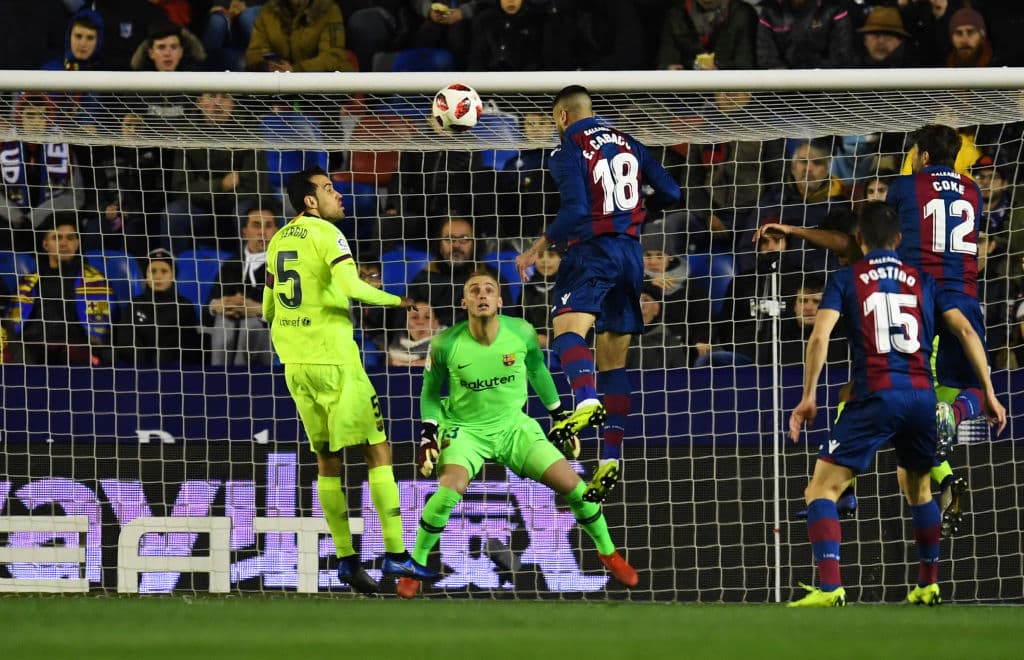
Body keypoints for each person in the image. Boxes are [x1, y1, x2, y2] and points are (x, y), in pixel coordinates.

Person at [786, 201, 1005, 607]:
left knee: (819, 489)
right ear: (899, 239)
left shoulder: (846, 277)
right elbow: (965, 331)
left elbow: (819, 338)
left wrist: (808, 394)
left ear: (858, 239)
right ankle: (927, 584)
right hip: (922, 397)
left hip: (875, 394)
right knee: (918, 490)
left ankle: (831, 587)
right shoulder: (923, 279)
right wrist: (989, 391)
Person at [392, 270, 638, 598]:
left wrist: (560, 415)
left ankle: (607, 552)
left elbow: (537, 371)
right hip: (465, 430)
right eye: (474, 290)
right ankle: (415, 563)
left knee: (577, 489)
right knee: (449, 490)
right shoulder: (446, 343)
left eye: (489, 290)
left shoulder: (521, 332)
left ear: (499, 301)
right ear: (464, 301)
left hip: (513, 427)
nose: (482, 294)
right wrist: (428, 436)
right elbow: (430, 394)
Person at [514, 85, 681, 503]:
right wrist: (634, 216)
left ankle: (585, 400)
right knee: (613, 361)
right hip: (630, 255)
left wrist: (537, 247)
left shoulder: (566, 149)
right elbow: (673, 193)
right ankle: (610, 458)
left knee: (566, 335)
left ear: (562, 117)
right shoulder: (629, 142)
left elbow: (573, 211)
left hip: (591, 253)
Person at [262, 165, 418, 594]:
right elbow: (352, 286)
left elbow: (268, 308)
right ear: (310, 201)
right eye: (329, 189)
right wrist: (397, 300)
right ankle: (396, 552)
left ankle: (348, 561)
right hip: (335, 362)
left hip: (295, 364)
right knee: (378, 449)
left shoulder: (277, 240)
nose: (339, 195)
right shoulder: (327, 234)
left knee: (328, 460)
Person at [3, 213, 112, 366]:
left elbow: (105, 328)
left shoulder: (96, 282)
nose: (64, 243)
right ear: (45, 244)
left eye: (70, 238)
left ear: (77, 243)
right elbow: (11, 325)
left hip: (76, 353)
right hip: (32, 355)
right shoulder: (27, 283)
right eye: (57, 238)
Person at [207, 205, 279, 367]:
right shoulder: (231, 264)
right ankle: (217, 377)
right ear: (244, 232)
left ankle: (242, 380)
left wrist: (259, 309)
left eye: (268, 226)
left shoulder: (284, 265)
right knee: (223, 322)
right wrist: (219, 305)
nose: (262, 232)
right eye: (256, 225)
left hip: (269, 335)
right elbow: (210, 303)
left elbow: (293, 309)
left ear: (276, 231)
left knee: (251, 324)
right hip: (230, 327)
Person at [114, 248, 201, 366]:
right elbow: (126, 338)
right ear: (145, 274)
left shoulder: (184, 306)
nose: (158, 276)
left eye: (164, 271)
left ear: (173, 275)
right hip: (139, 370)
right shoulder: (135, 304)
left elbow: (189, 344)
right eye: (153, 271)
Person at [245, 0, 352, 73]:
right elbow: (254, 53)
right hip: (277, 79)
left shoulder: (330, 10)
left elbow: (332, 57)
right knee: (246, 95)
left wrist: (296, 69)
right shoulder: (268, 11)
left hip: (316, 81)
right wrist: (269, 66)